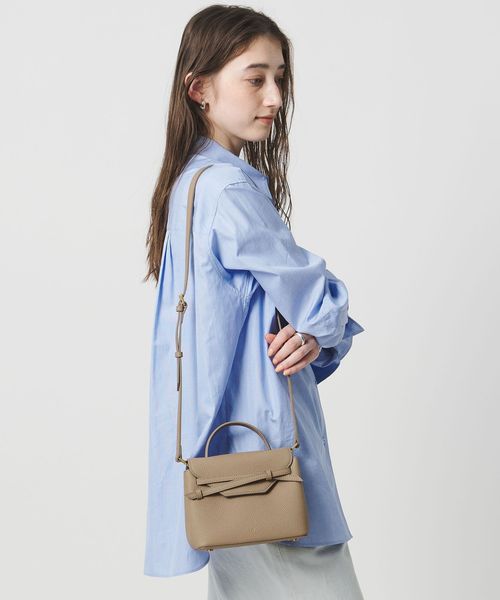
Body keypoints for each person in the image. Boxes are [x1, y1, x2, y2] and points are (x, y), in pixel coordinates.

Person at [143, 5, 366, 599]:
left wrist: (310, 331)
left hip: (218, 469)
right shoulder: (228, 188)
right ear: (200, 88)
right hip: (267, 464)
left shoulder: (188, 184)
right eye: (255, 78)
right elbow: (319, 298)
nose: (274, 97)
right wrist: (320, 326)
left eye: (280, 78)